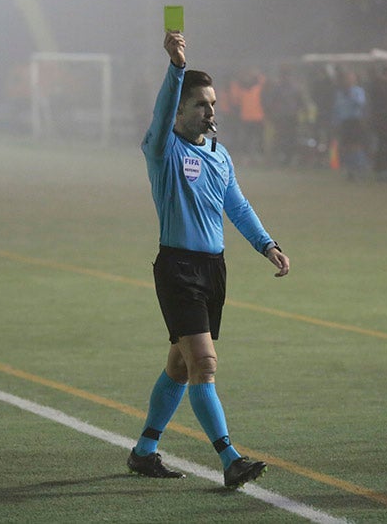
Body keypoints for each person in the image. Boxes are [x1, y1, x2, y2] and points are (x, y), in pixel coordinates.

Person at [128, 31, 290, 489]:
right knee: (205, 363)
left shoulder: (220, 156)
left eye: (213, 103)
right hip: (177, 269)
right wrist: (176, 66)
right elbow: (159, 116)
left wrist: (266, 244)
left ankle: (144, 452)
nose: (211, 111)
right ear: (179, 110)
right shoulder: (162, 149)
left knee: (180, 367)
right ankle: (230, 458)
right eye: (201, 104)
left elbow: (236, 205)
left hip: (213, 270)